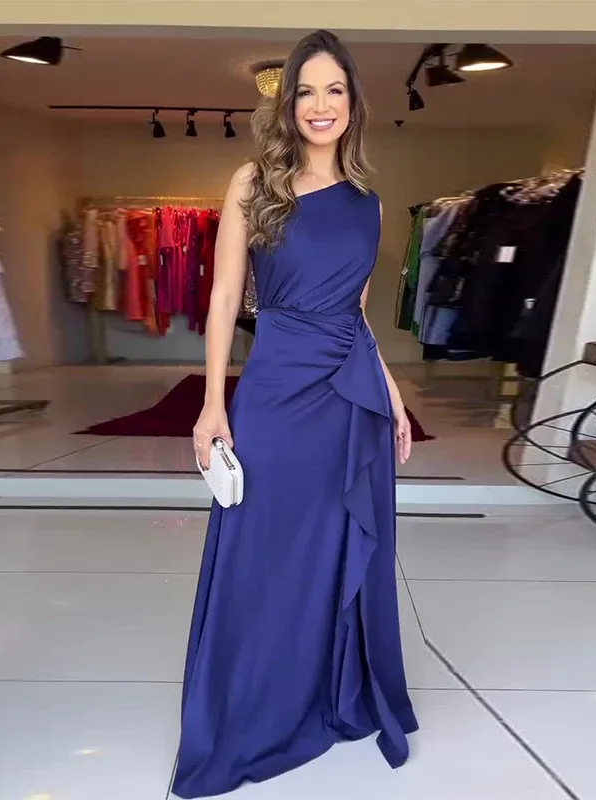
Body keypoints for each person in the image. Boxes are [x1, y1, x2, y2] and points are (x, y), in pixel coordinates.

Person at [172, 29, 418, 799]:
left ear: (353, 103)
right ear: (287, 104)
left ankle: (328, 688)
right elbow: (223, 297)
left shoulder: (370, 203)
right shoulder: (255, 181)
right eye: (305, 91)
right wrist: (213, 403)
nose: (320, 105)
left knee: (336, 548)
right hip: (277, 389)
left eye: (334, 90)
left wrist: (393, 394)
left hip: (351, 396)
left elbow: (358, 314)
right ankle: (254, 704)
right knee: (264, 548)